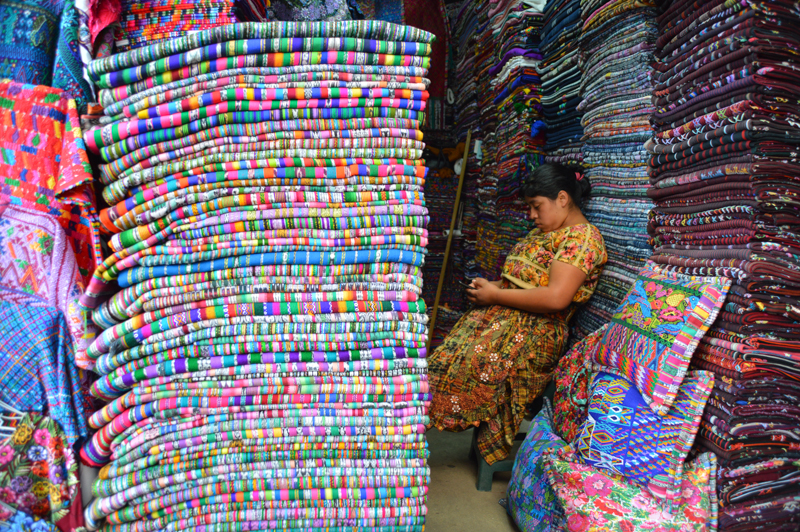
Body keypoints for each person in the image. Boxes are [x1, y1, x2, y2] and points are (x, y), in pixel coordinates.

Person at [427, 163, 607, 464]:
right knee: (442, 362)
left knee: (468, 368)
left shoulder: (582, 240)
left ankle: (403, 432)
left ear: (562, 198)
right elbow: (522, 283)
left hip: (536, 331)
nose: (531, 215)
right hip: (504, 320)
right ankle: (403, 427)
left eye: (536, 206)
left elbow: (556, 297)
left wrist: (495, 295)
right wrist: (491, 287)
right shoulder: (543, 233)